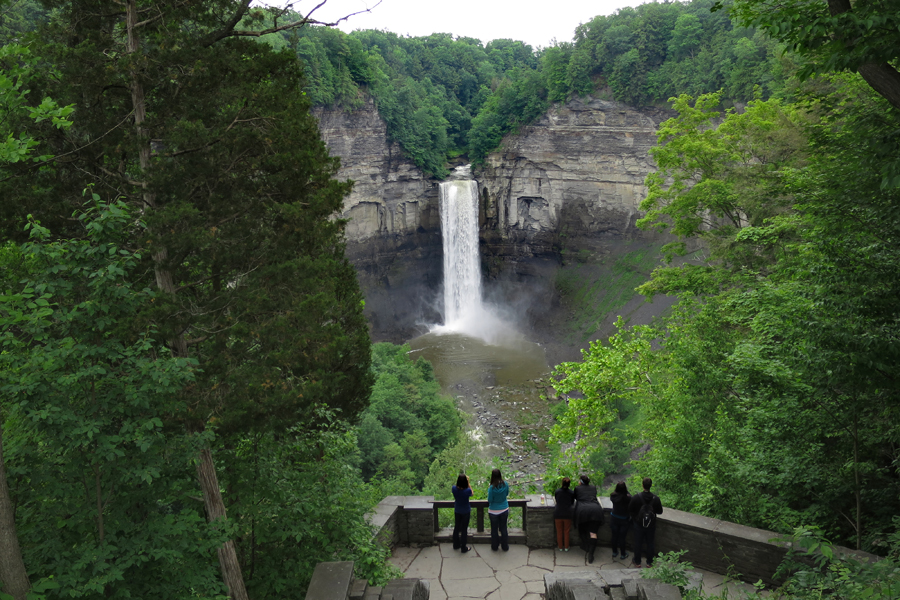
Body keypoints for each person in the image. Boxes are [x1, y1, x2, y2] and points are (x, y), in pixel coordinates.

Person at [628, 477, 663, 568]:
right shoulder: (656, 499)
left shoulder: (636, 497)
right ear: (651, 486)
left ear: (642, 485)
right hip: (651, 525)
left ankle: (637, 562)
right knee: (650, 543)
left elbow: (630, 509)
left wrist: (636, 517)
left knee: (638, 543)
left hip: (638, 524)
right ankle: (649, 562)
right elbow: (660, 511)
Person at [573, 475, 604, 563]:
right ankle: (591, 553)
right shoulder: (593, 488)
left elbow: (575, 497)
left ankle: (585, 545)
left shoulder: (577, 488)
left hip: (582, 511)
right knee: (593, 533)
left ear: (580, 482)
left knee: (582, 529)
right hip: (595, 510)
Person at [487, 468, 510, 551]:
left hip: (493, 511)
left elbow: (490, 500)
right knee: (503, 528)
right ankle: (505, 546)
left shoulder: (491, 488)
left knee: (494, 529)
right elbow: (507, 493)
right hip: (504, 508)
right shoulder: (505, 484)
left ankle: (495, 546)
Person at [609, 481, 631, 560]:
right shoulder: (628, 498)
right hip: (624, 520)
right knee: (622, 537)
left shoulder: (613, 496)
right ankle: (623, 554)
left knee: (614, 536)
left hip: (614, 518)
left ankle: (614, 552)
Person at [452, 473, 473, 552]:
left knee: (457, 527)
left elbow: (457, 487)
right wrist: (468, 483)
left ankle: (456, 545)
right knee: (464, 530)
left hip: (457, 510)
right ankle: (463, 548)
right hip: (466, 511)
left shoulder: (454, 488)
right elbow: (472, 493)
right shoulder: (467, 491)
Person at [553, 477, 575, 552]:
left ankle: (560, 547)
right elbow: (572, 502)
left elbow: (556, 500)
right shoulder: (571, 493)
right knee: (566, 531)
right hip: (567, 513)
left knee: (559, 531)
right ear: (569, 484)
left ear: (562, 483)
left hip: (558, 512)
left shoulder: (557, 491)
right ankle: (566, 547)